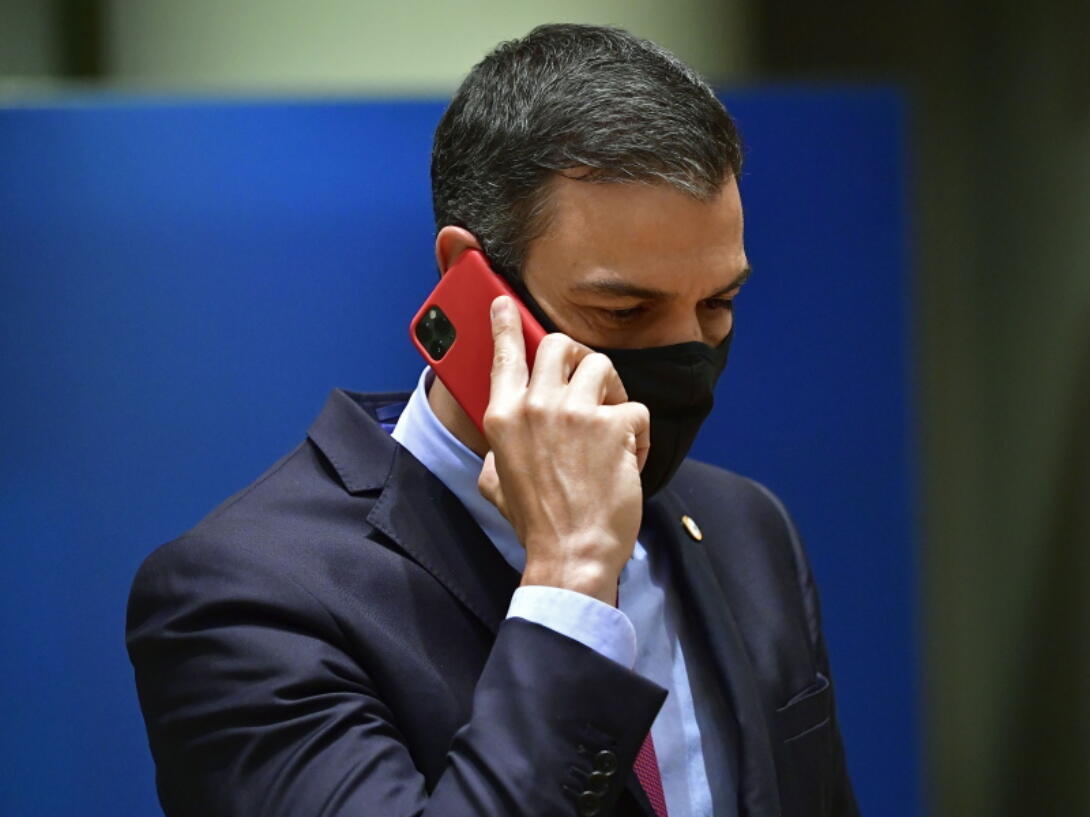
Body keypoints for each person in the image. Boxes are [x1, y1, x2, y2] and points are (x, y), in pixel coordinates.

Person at [126, 23, 858, 817]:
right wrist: (571, 582)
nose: (683, 357)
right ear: (469, 283)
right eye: (622, 310)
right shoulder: (246, 598)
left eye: (717, 305)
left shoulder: (747, 528)